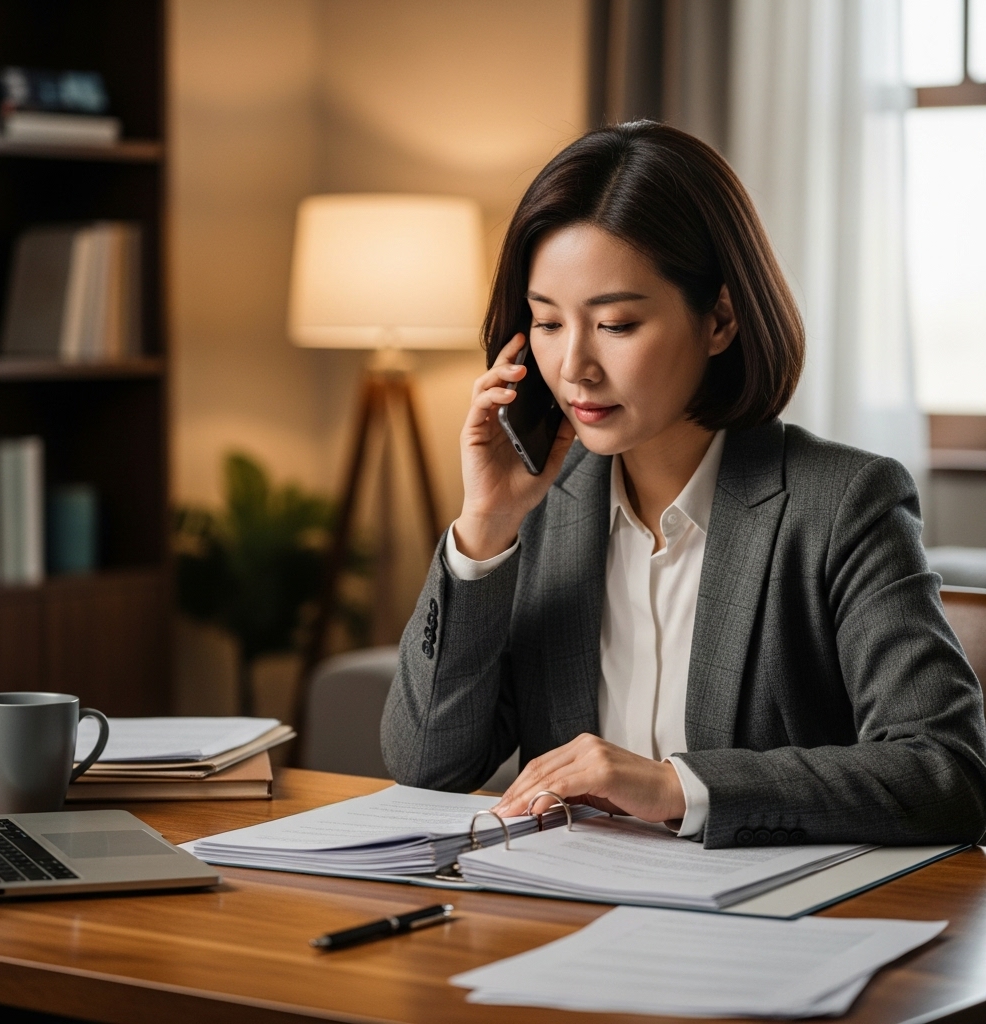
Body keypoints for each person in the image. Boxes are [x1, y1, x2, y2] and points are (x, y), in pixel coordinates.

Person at [380, 121, 986, 848]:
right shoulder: (537, 509)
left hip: (775, 935)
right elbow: (424, 764)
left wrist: (674, 785)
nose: (574, 366)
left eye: (616, 323)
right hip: (561, 916)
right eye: (546, 322)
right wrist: (485, 526)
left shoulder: (844, 503)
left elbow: (943, 773)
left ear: (720, 319)